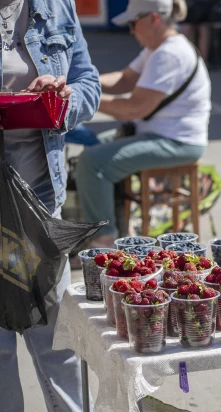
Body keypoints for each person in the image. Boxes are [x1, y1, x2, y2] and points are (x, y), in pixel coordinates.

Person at [0, 0, 100, 410]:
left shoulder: (56, 6)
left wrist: (61, 100)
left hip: (39, 207)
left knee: (59, 339)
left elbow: (87, 83)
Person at [75, 0, 211, 249]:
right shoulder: (157, 48)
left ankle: (103, 239)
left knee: (94, 162)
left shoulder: (169, 53)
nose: (131, 30)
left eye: (132, 22)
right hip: (158, 135)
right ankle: (114, 226)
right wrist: (83, 81)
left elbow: (135, 108)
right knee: (95, 148)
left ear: (154, 19)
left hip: (178, 142)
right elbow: (124, 80)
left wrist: (82, 98)